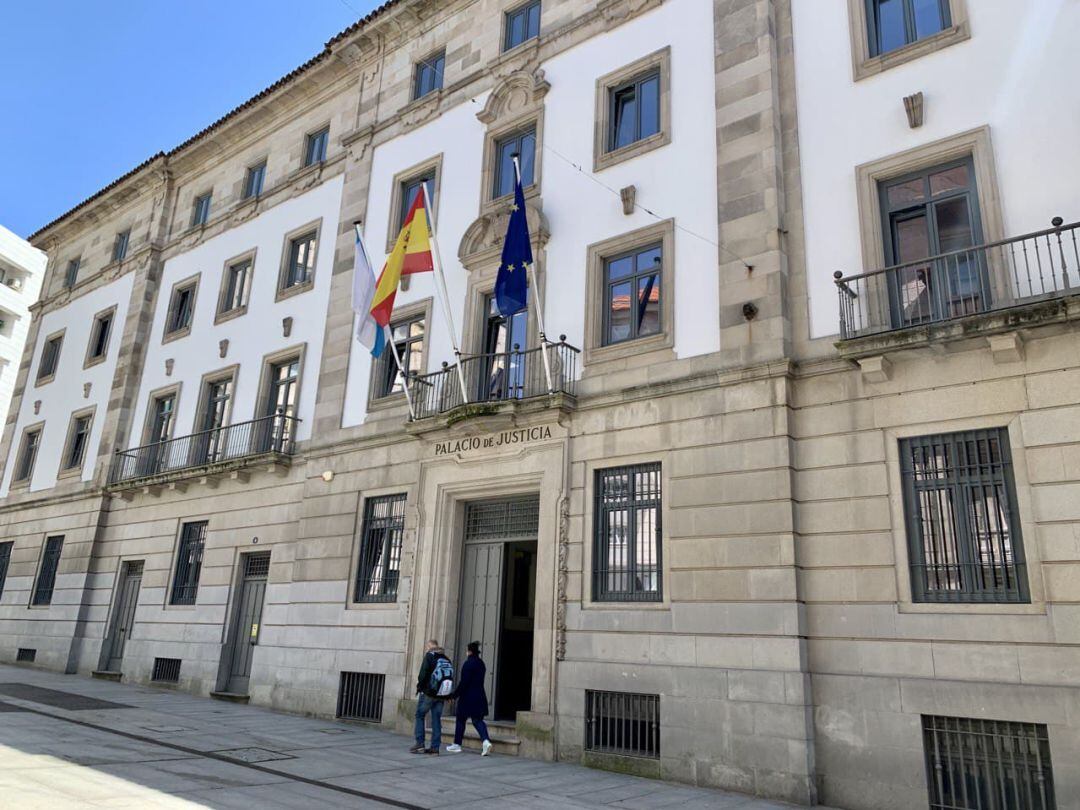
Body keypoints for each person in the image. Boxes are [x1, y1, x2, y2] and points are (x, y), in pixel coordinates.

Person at [445, 640, 493, 756]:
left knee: (461, 719)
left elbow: (464, 683)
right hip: (480, 696)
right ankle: (486, 741)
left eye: (467, 650)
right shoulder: (481, 663)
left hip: (467, 697)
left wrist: (454, 695)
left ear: (469, 651)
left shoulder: (468, 664)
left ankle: (457, 744)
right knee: (477, 720)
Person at [411, 639, 453, 755]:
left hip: (429, 693)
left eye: (427, 646)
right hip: (441, 694)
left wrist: (420, 687)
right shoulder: (446, 658)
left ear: (430, 646)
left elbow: (422, 674)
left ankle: (420, 744)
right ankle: (435, 748)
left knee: (420, 715)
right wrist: (448, 695)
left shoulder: (429, 656)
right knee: (436, 720)